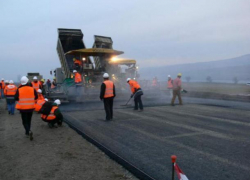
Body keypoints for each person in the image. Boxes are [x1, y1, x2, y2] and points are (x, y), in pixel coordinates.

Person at [15, 76, 38, 140]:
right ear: (27, 82)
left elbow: (16, 98)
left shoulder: (19, 89)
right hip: (31, 108)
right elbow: (36, 97)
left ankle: (28, 131)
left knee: (24, 121)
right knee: (29, 120)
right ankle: (28, 131)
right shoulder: (32, 89)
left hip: (22, 108)